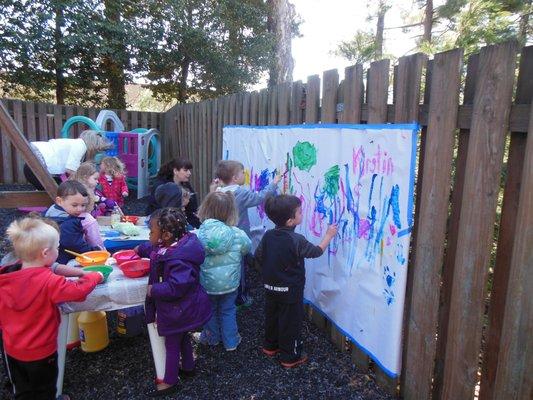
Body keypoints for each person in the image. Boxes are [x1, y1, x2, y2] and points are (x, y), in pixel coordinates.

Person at [0, 217, 103, 400]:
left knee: (22, 389)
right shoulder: (49, 281)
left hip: (12, 349)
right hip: (41, 351)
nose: (58, 250)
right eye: (57, 247)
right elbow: (78, 292)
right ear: (46, 253)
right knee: (45, 389)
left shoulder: (7, 276)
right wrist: (94, 276)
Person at [255, 195, 338, 368]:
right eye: (300, 212)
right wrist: (329, 235)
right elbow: (316, 251)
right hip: (290, 291)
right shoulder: (296, 240)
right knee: (290, 323)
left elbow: (258, 257)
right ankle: (289, 357)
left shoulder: (268, 236)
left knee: (272, 316)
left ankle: (270, 346)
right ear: (290, 221)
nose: (303, 214)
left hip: (270, 287)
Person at [136, 208, 211, 397]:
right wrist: (140, 249)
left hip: (179, 309)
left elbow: (177, 286)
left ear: (166, 235)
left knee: (171, 345)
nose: (150, 235)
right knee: (183, 337)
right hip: (181, 309)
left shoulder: (180, 259)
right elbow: (154, 249)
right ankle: (188, 367)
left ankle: (169, 381)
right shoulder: (171, 245)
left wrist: (154, 289)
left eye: (151, 232)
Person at [214, 160, 280, 307]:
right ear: (235, 178)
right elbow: (261, 197)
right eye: (242, 173)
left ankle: (225, 291)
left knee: (227, 265)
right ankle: (240, 298)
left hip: (222, 238)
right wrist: (274, 183)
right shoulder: (240, 193)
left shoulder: (217, 193)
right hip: (237, 240)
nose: (245, 175)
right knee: (240, 269)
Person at [196, 192, 251, 351]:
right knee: (228, 310)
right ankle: (231, 343)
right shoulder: (238, 233)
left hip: (207, 283)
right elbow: (247, 248)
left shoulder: (199, 234)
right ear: (231, 212)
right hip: (230, 283)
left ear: (205, 209)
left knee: (210, 310)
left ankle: (212, 339)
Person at [24, 130, 113, 190]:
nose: (96, 154)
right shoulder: (80, 146)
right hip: (37, 165)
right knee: (64, 189)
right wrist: (84, 184)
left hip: (32, 164)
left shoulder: (74, 143)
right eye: (97, 150)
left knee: (59, 185)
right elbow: (71, 170)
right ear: (93, 146)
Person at [44, 181, 100, 264]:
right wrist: (94, 251)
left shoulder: (50, 213)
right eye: (74, 205)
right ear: (59, 201)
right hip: (62, 261)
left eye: (83, 205)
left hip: (49, 259)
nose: (80, 209)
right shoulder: (68, 222)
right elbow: (76, 246)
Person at [146, 157, 200, 228]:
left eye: (189, 170)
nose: (189, 173)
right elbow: (158, 209)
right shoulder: (162, 186)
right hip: (164, 221)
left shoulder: (185, 184)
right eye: (185, 170)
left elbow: (193, 208)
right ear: (175, 171)